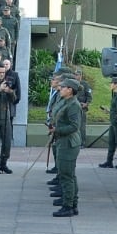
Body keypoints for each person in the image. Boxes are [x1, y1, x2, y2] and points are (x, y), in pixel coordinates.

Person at [50, 79, 81, 216]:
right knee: (68, 174)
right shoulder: (65, 102)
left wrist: (58, 130)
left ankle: (68, 206)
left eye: (63, 87)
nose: (60, 89)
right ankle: (72, 203)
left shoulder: (74, 105)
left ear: (70, 90)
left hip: (68, 143)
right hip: (63, 141)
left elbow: (74, 126)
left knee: (67, 175)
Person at [99, 76, 117, 168]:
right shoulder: (115, 95)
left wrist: (116, 119)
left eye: (112, 83)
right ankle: (109, 161)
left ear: (116, 84)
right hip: (113, 123)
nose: (111, 85)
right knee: (111, 142)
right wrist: (109, 111)